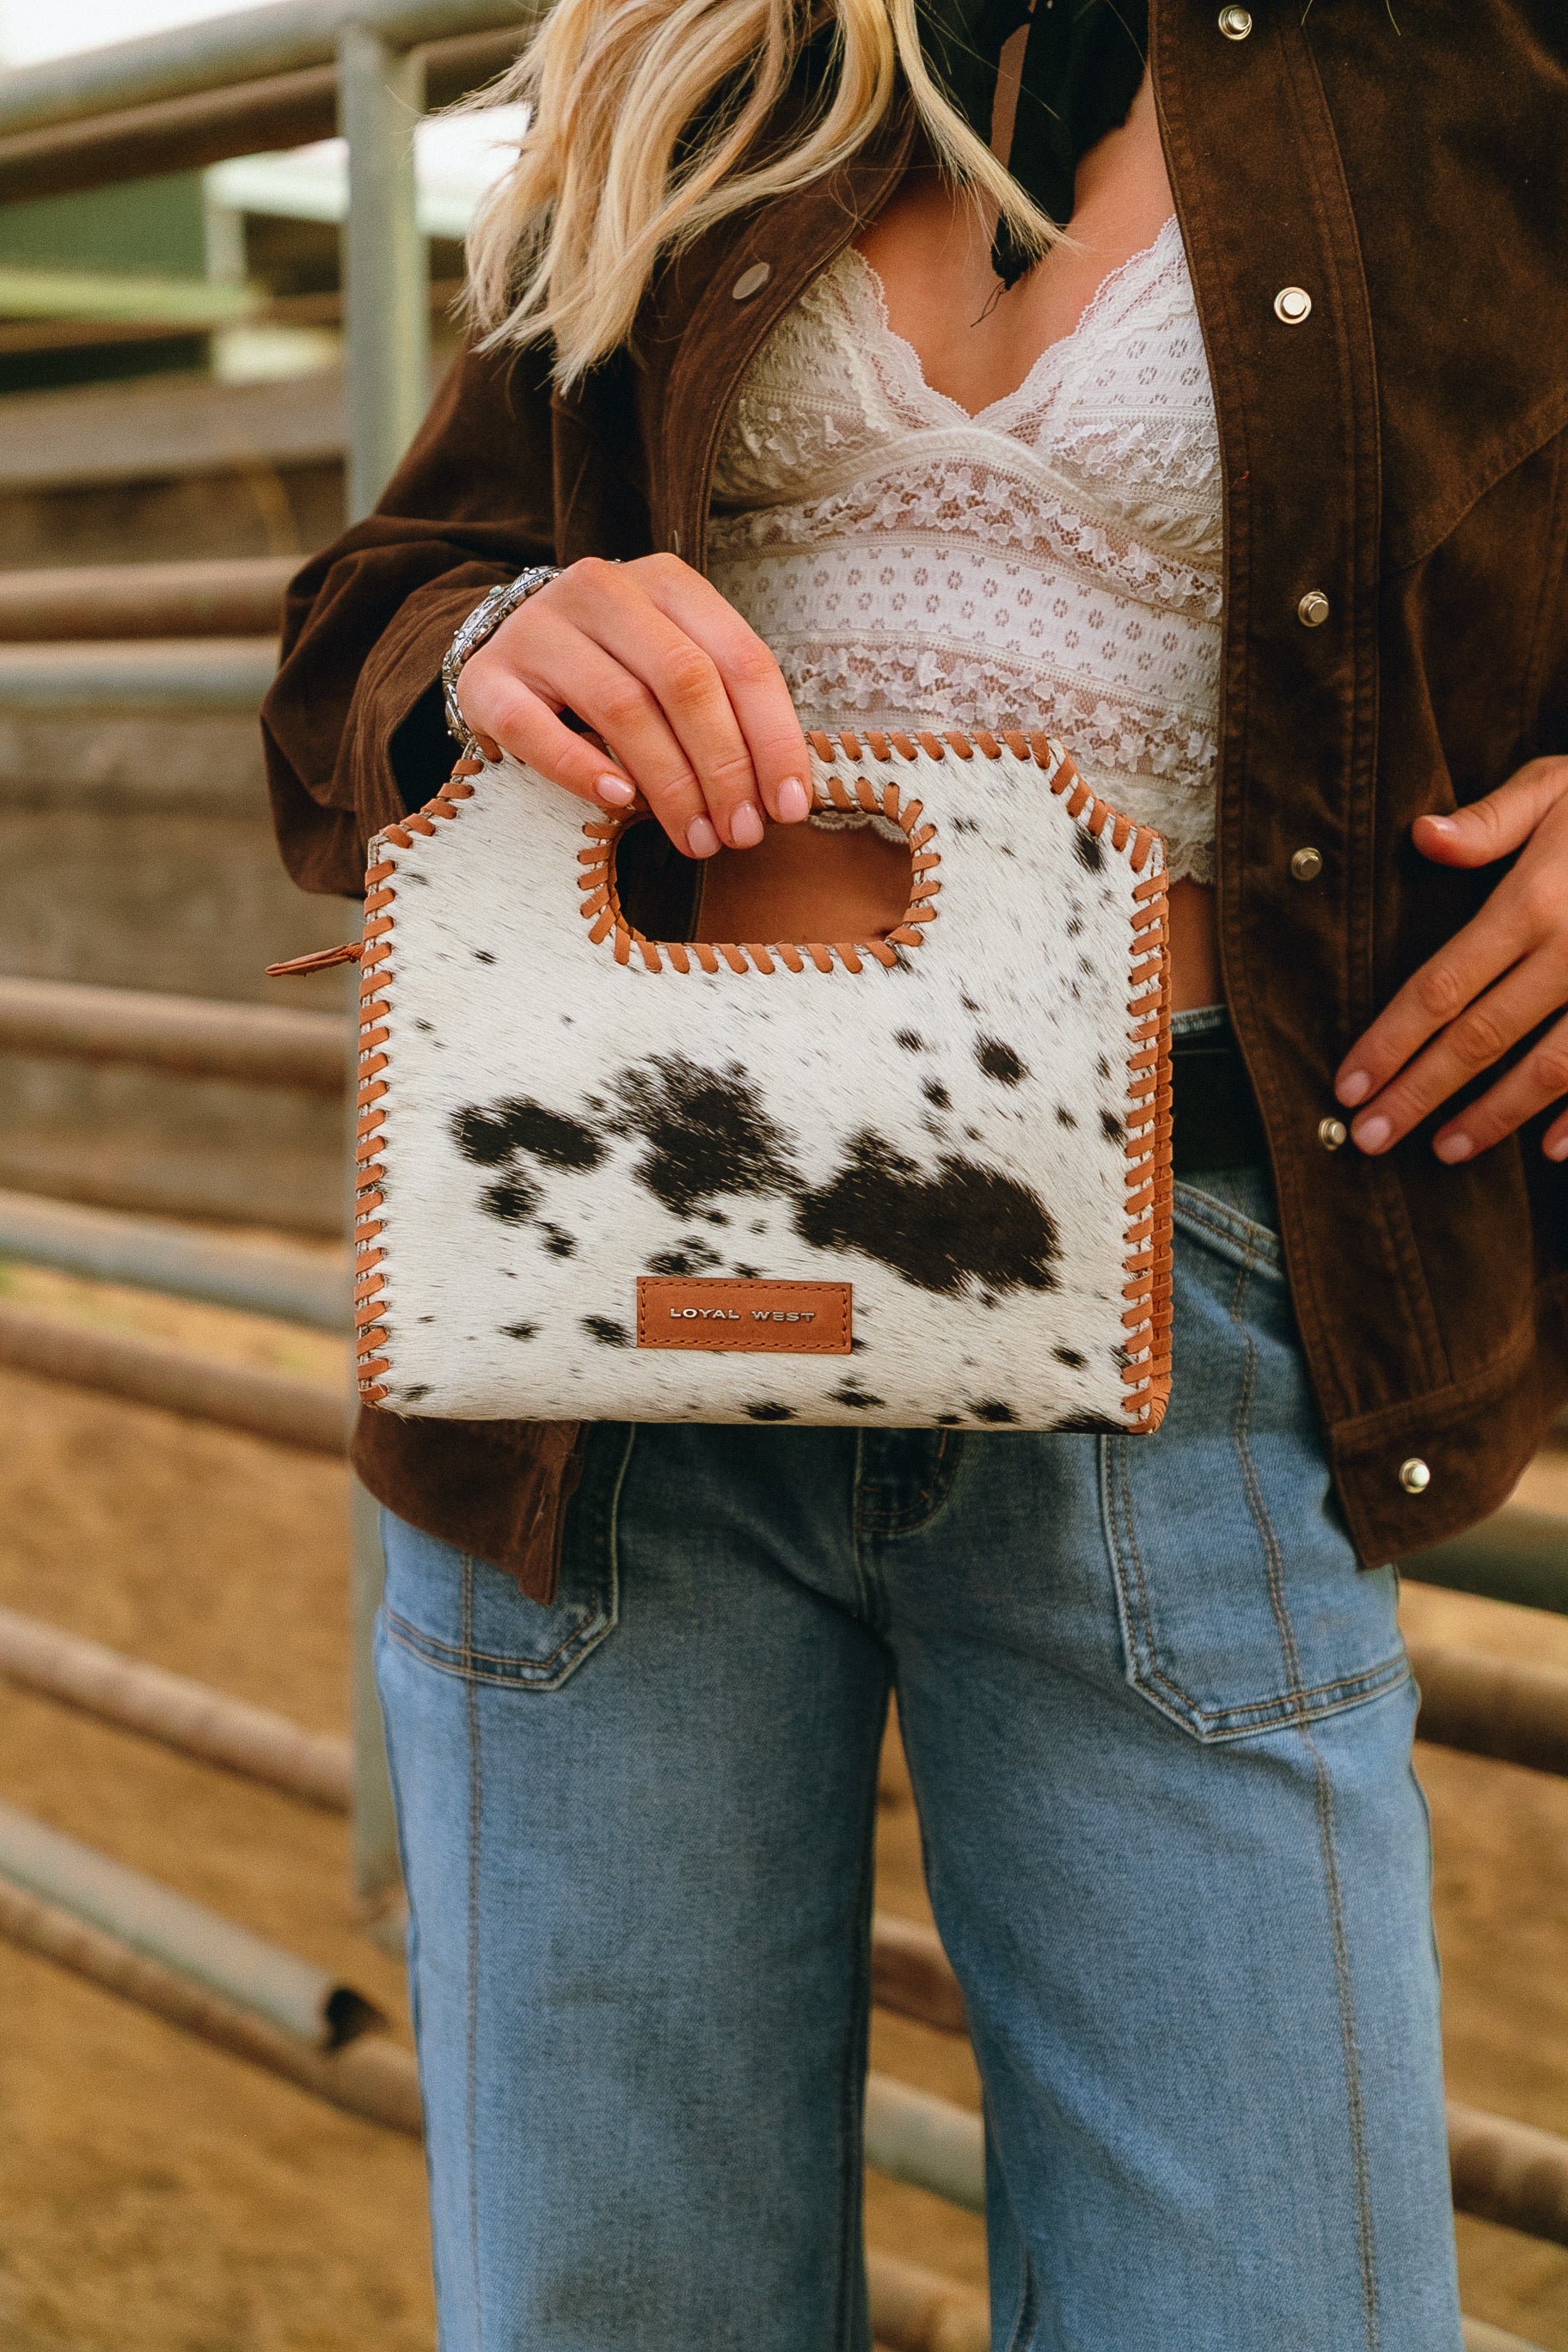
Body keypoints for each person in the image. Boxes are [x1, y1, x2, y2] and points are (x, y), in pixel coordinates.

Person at [261, 3, 1568, 2344]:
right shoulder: (715, 57)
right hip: (600, 1287)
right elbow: (382, 603)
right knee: (614, 2309)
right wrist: (497, 636)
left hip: (1191, 1286)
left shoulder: (1492, 60)